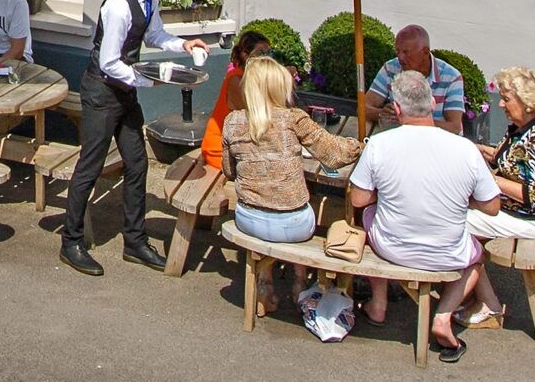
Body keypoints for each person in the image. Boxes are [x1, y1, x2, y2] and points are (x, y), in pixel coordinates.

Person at [60, 0, 212, 276]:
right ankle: (70, 241)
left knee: (137, 161)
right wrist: (147, 81)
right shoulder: (118, 6)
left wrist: (182, 44)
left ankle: (135, 241)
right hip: (101, 91)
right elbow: (109, 62)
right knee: (91, 164)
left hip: (125, 90)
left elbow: (154, 34)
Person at [348, 69, 500, 361]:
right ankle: (442, 316)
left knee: (368, 215)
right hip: (448, 252)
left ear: (396, 109)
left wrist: (387, 191)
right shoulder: (465, 149)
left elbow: (358, 198)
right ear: (433, 104)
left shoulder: (379, 145)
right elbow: (492, 206)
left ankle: (378, 303)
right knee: (476, 256)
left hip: (393, 248)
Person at [223, 55, 362, 313]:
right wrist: (359, 145)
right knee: (311, 209)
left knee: (273, 209)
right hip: (293, 225)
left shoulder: (233, 122)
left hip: (248, 218)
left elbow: (229, 171)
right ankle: (300, 282)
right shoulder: (293, 118)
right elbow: (334, 154)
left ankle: (264, 285)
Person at [461, 67, 535, 326]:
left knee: (456, 223)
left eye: (506, 99)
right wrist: (471, 148)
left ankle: (488, 302)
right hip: (534, 214)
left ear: (527, 102)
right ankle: (467, 280)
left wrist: (492, 182)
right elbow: (503, 157)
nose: (500, 104)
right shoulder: (525, 129)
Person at [362, 23, 467, 136]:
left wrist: (413, 122)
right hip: (399, 139)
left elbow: (454, 127)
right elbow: (363, 108)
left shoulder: (451, 77)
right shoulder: (391, 68)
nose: (400, 57)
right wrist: (382, 114)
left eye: (406, 52)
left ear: (425, 52)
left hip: (436, 141)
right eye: (398, 51)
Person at [201, 29, 276, 172]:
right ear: (245, 55)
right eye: (261, 54)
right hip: (220, 150)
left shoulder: (252, 78)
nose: (267, 58)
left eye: (269, 53)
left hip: (239, 147)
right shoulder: (236, 80)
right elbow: (256, 117)